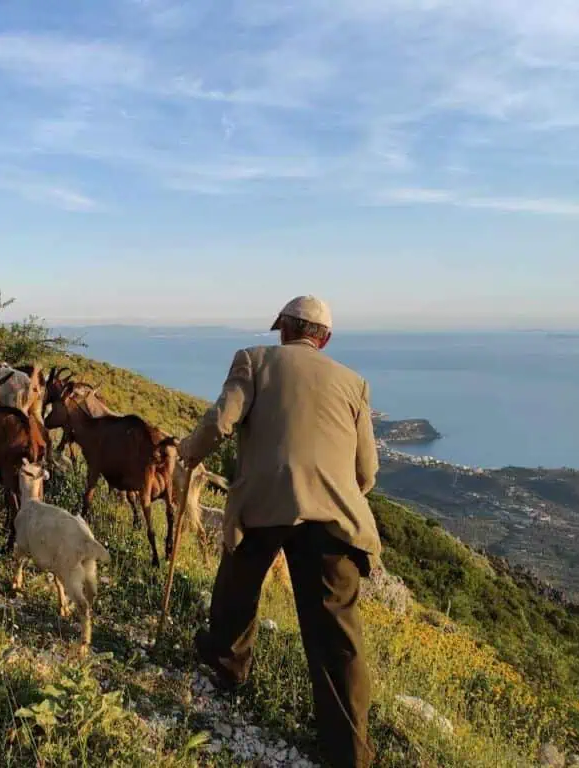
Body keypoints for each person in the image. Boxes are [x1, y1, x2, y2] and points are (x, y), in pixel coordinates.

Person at [178, 295, 380, 768]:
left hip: (265, 504)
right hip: (334, 518)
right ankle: (349, 751)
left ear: (285, 329)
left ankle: (228, 668)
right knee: (338, 637)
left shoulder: (254, 361)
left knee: (236, 586)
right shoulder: (354, 383)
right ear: (324, 339)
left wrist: (189, 451)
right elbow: (367, 472)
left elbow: (221, 422)